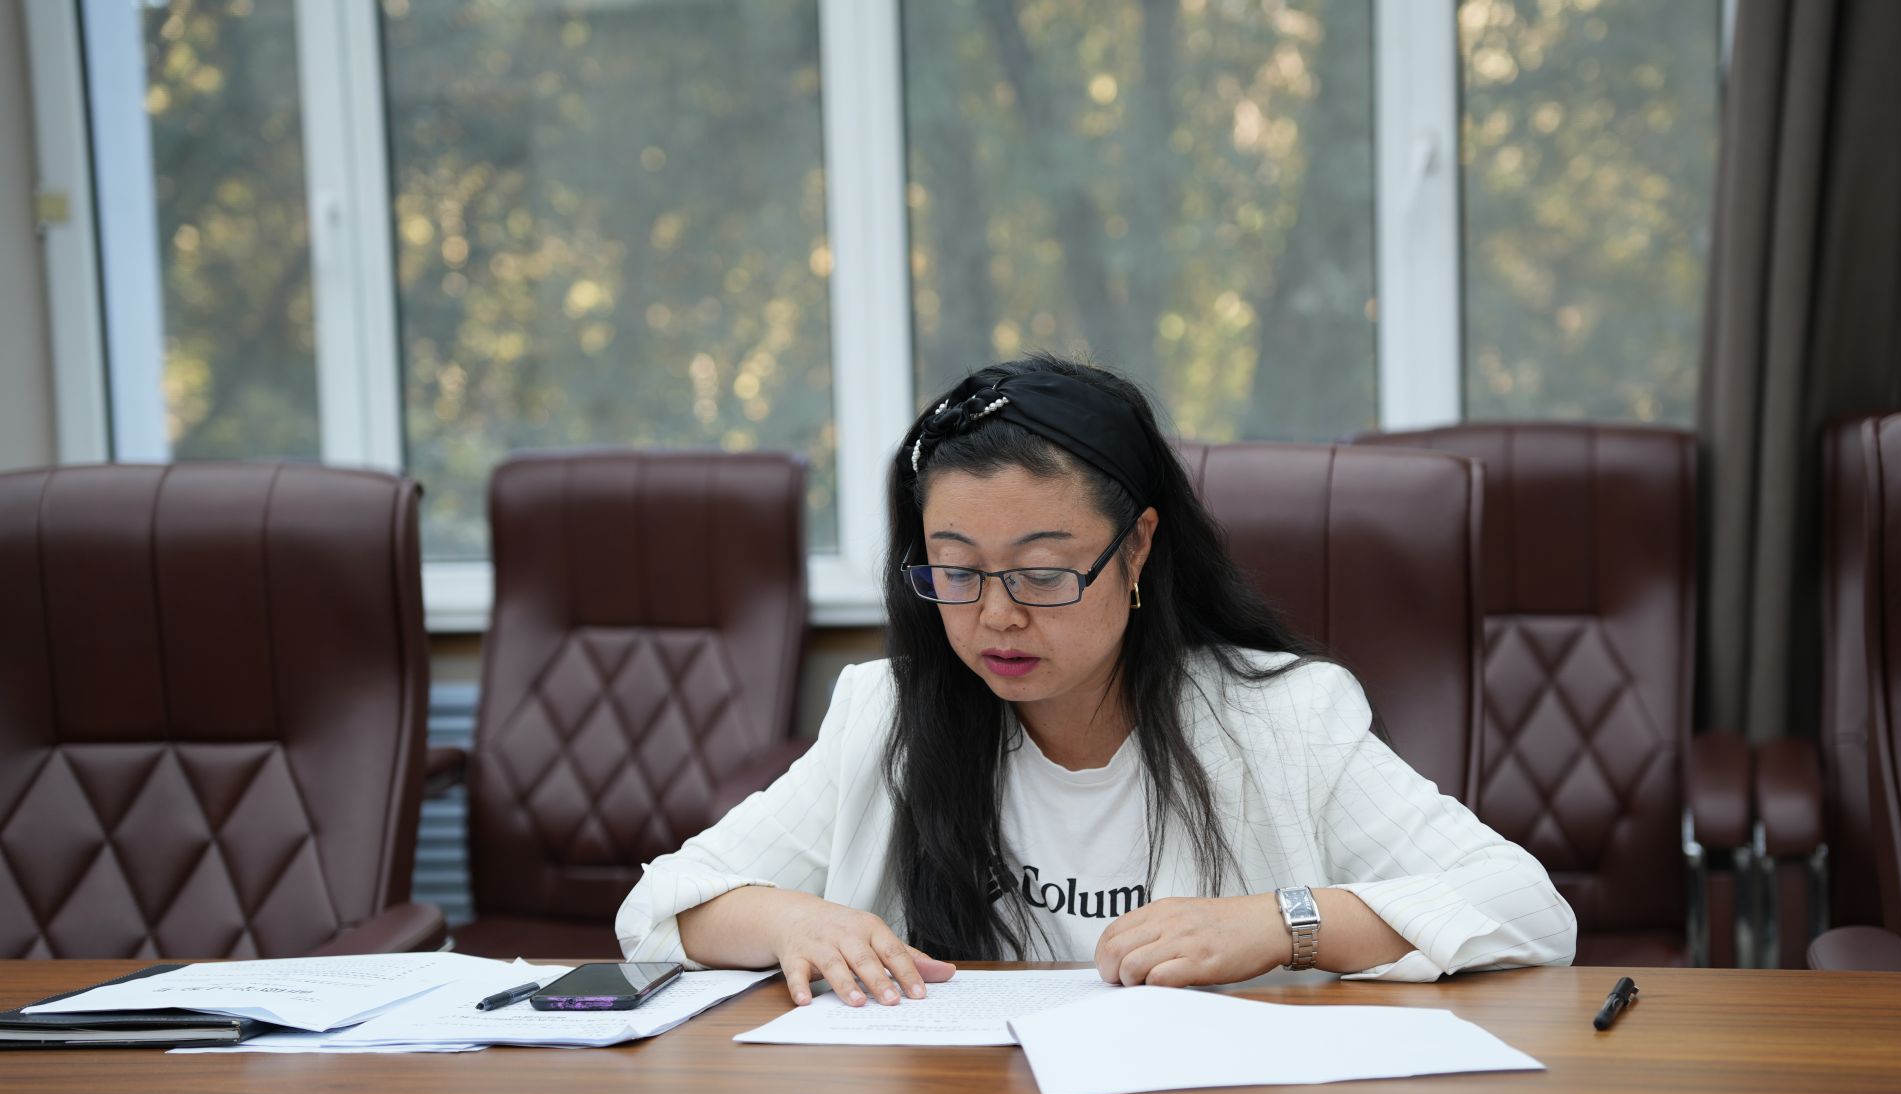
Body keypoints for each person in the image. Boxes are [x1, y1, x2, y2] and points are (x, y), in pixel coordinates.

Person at [617, 355, 1574, 1005]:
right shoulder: (889, 717)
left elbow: (1529, 907)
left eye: (1041, 572)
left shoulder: (1284, 717)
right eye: (956, 569)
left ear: (1138, 548)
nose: (997, 615)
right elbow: (659, 906)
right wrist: (795, 918)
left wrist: (1283, 926)